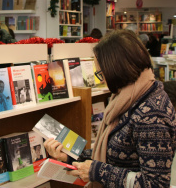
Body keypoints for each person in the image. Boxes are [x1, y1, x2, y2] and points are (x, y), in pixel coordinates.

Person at [44, 29, 176, 187]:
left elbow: (156, 184)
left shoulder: (152, 113)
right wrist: (70, 157)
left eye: (101, 73)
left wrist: (97, 172)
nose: (102, 79)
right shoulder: (127, 98)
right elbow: (111, 152)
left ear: (116, 69)